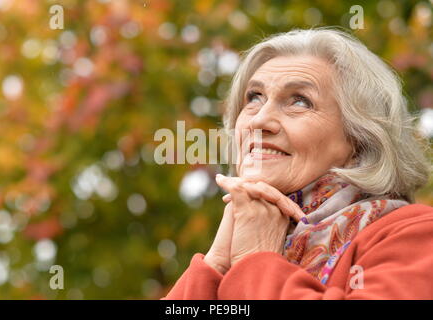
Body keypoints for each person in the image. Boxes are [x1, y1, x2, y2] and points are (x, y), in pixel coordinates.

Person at [162, 28, 433, 299]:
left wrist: (256, 260)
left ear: (359, 138)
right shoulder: (230, 244)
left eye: (299, 101)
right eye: (254, 98)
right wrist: (215, 266)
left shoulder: (416, 235)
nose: (258, 121)